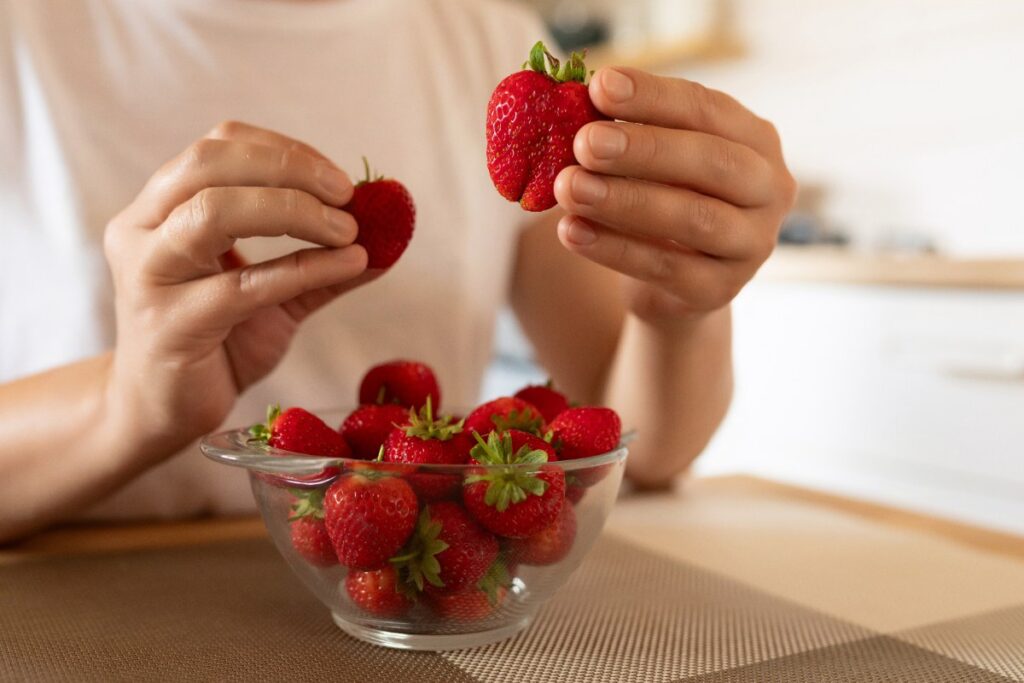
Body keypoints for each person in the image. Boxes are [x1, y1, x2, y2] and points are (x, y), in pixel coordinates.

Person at [0, 0, 796, 543]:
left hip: (415, 589)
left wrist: (681, 302)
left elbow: (640, 449)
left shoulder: (484, 36)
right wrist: (129, 404)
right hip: (76, 595)